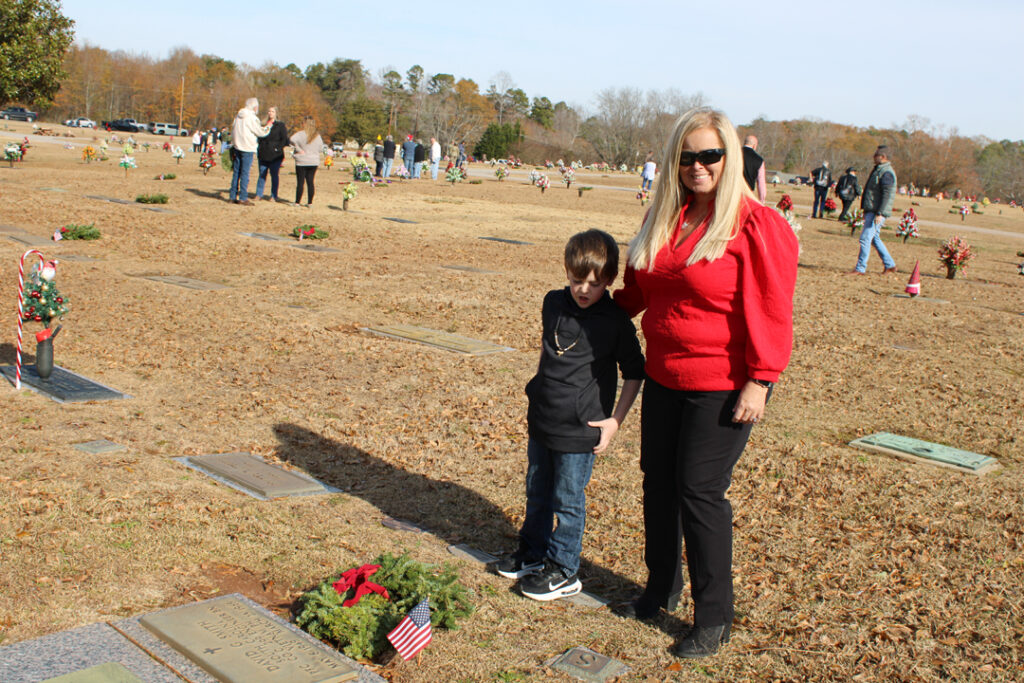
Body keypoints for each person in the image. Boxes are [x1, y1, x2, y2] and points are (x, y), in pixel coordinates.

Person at [613, 108, 798, 658]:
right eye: (687, 156)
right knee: (658, 483)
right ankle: (660, 586)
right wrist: (591, 307)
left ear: (730, 158)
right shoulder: (665, 215)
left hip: (723, 382)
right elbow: (639, 291)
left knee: (698, 492)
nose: (697, 166)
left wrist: (760, 380)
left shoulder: (757, 225)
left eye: (709, 155)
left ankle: (714, 615)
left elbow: (771, 308)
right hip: (664, 375)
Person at [493, 229, 644, 602]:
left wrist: (615, 421)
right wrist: (538, 388)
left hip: (581, 429)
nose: (584, 290)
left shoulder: (615, 321)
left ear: (609, 280)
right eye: (577, 281)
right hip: (544, 418)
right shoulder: (552, 303)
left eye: (594, 283)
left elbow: (635, 371)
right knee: (537, 489)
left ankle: (564, 568)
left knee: (567, 498)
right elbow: (550, 351)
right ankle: (533, 552)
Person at [848, 146, 898, 275]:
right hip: (872, 210)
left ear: (883, 157)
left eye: (876, 155)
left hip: (877, 211)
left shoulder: (886, 173)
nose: (873, 158)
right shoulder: (878, 170)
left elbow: (886, 194)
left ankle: (860, 268)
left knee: (865, 238)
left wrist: (880, 213)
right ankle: (890, 265)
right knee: (874, 238)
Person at [229, 97, 271, 205]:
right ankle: (243, 197)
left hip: (237, 146)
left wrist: (233, 144)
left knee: (236, 172)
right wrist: (268, 127)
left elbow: (233, 130)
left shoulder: (238, 116)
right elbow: (260, 132)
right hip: (247, 148)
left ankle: (232, 196)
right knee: (245, 173)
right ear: (255, 107)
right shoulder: (252, 118)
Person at [255, 107, 289, 202]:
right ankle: (259, 194)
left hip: (275, 155)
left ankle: (274, 195)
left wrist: (278, 148)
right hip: (263, 153)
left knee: (274, 175)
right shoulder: (263, 124)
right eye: (269, 111)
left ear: (276, 113)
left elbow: (284, 139)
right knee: (262, 174)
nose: (270, 113)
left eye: (272, 111)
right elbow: (259, 137)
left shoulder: (280, 125)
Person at [289, 116, 322, 207]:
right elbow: (321, 148)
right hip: (314, 161)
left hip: (302, 161)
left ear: (305, 124)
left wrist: (298, 149)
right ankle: (310, 202)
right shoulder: (317, 136)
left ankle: (297, 202)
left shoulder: (300, 134)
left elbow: (291, 139)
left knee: (300, 182)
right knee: (310, 182)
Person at [741, 135, 767, 203]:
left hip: (732, 191)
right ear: (754, 145)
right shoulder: (759, 160)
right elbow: (761, 182)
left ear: (744, 143)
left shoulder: (734, 154)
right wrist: (762, 200)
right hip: (748, 193)